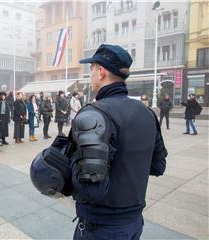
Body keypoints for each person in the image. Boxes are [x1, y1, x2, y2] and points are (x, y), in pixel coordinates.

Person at [30, 44, 167, 240]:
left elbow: (92, 189)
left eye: (92, 69)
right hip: (134, 222)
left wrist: (69, 168)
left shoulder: (94, 115)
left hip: (102, 228)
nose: (91, 74)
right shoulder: (147, 113)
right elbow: (158, 166)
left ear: (101, 71)